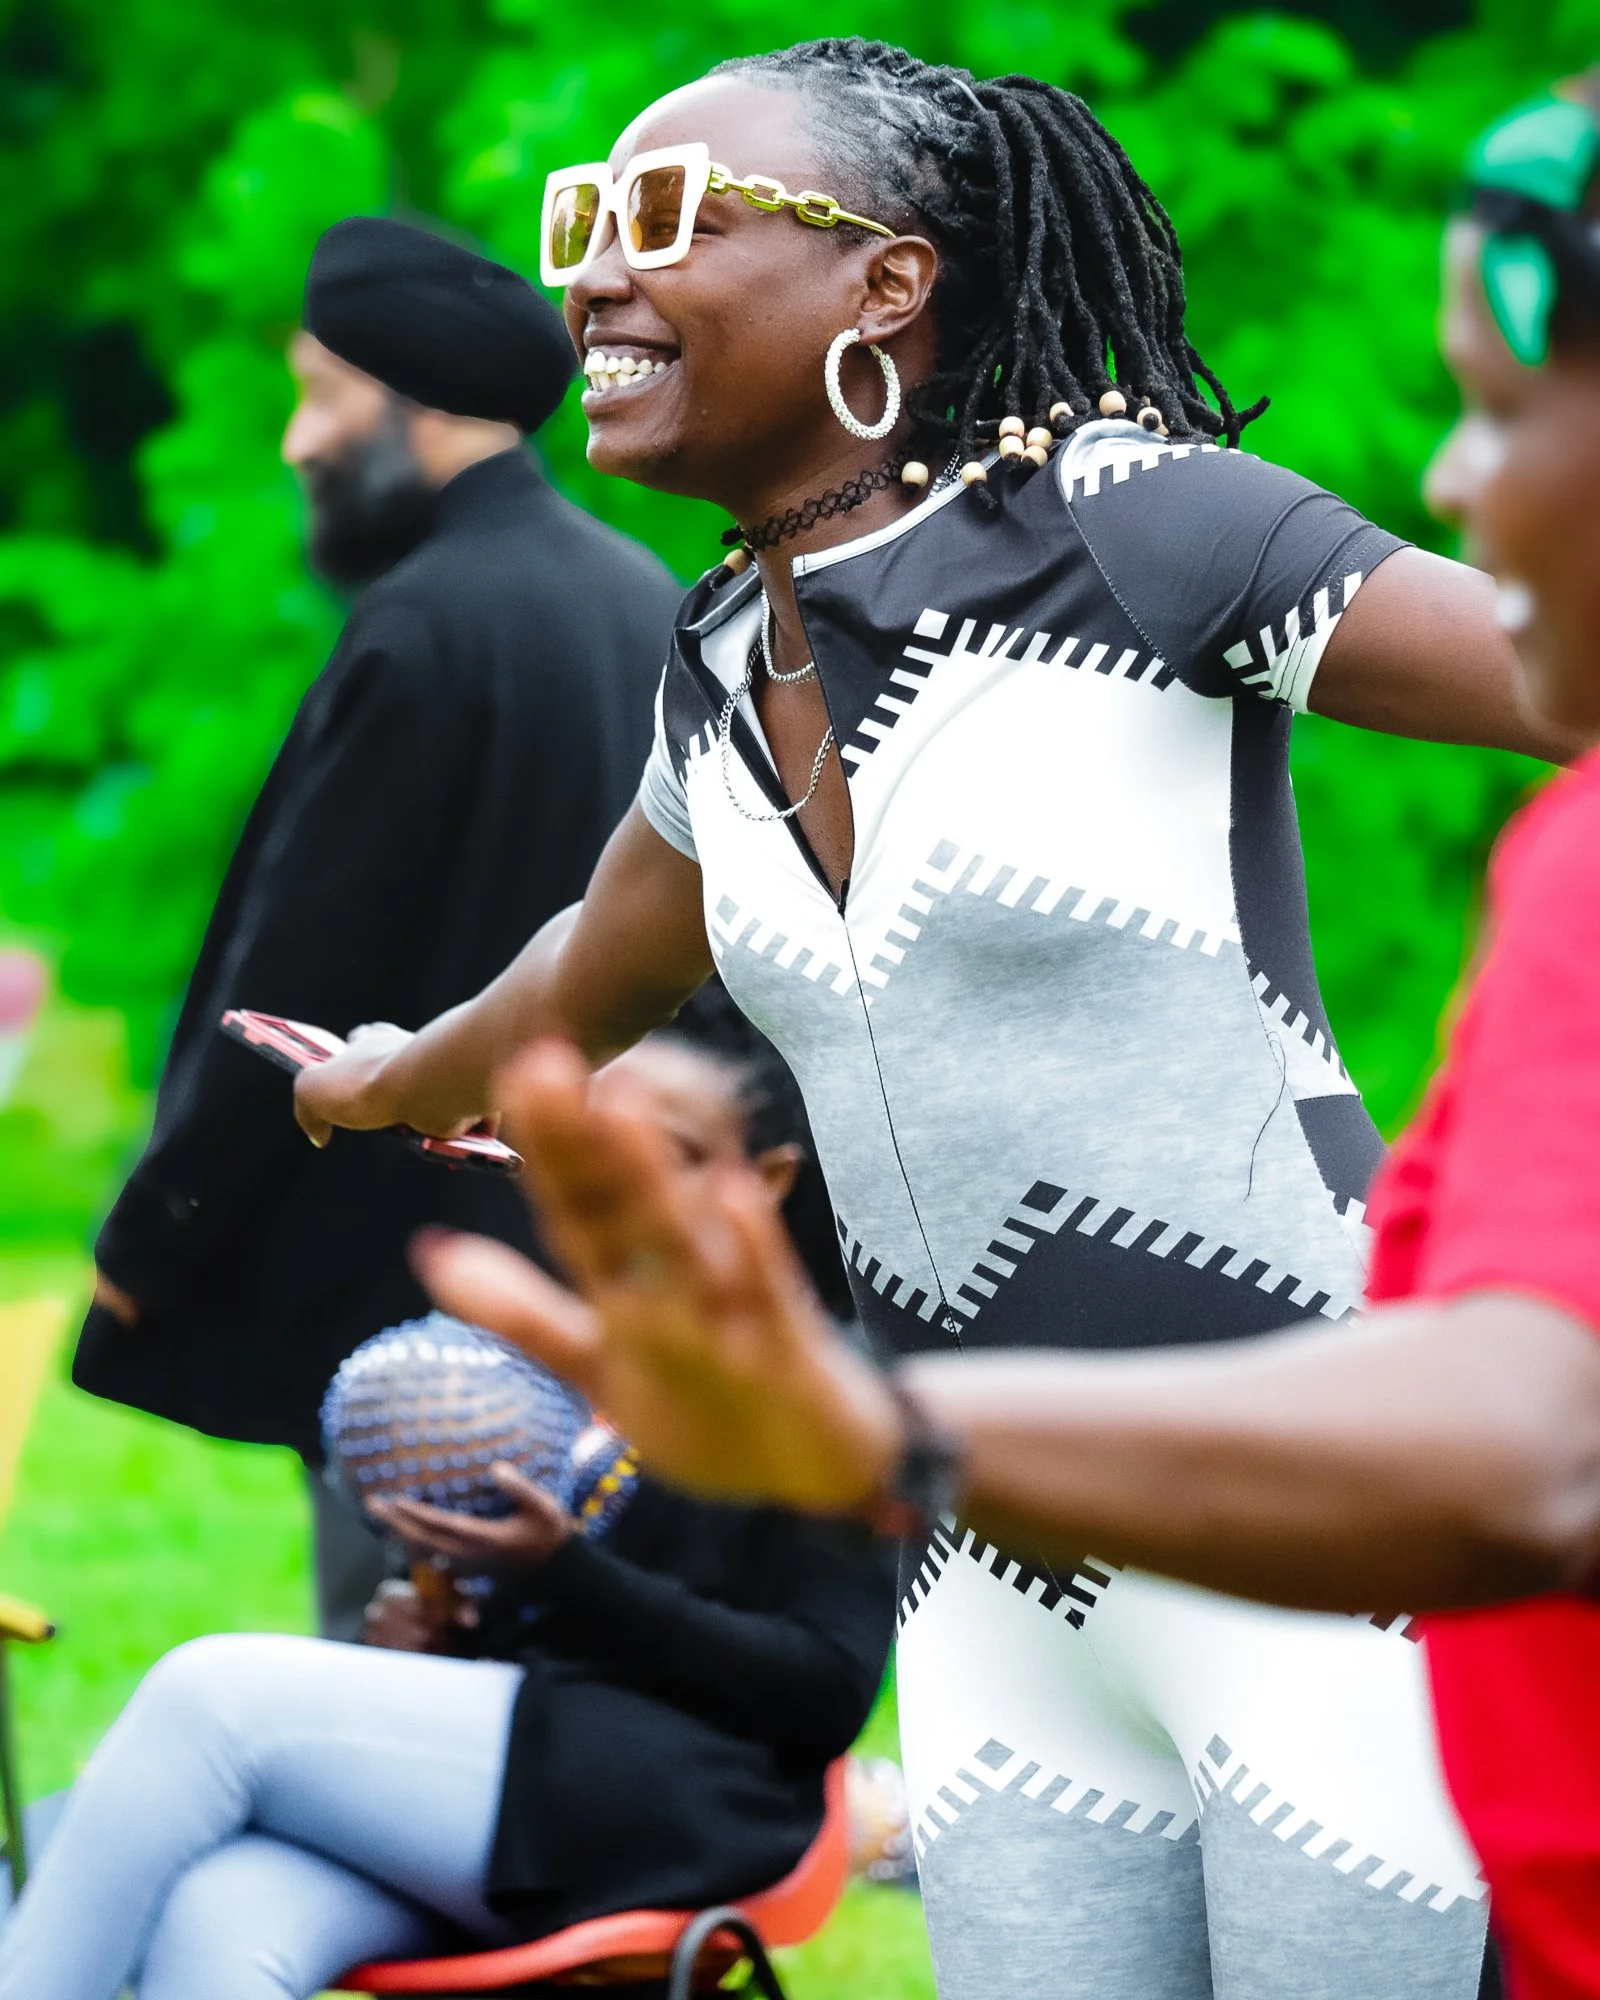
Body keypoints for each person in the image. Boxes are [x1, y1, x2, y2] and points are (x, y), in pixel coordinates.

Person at [290, 44, 1583, 1998]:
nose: (597, 283)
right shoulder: (719, 653)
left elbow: (1545, 658)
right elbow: (589, 963)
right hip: (979, 1568)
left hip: (1300, 1514)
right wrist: (386, 1077)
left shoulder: (1133, 525)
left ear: (883, 286)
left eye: (667, 225)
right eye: (584, 228)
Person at [0, 1033, 896, 2000]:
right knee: (223, 1920)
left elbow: (824, 1692)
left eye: (659, 1149)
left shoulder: (819, 1391)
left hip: (673, 1807)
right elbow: (564, 1638)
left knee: (210, 1695)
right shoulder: (564, 1342)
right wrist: (447, 1631)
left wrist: (566, 1577)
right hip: (498, 1793)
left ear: (765, 1176)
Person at [76, 216, 682, 1640]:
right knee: (560, 1674)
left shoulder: (425, 627)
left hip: (406, 1285)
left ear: (431, 413)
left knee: (399, 1678)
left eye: (324, 396)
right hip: (594, 1266)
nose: (298, 442)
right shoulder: (640, 602)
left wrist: (153, 1232)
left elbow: (291, 987)